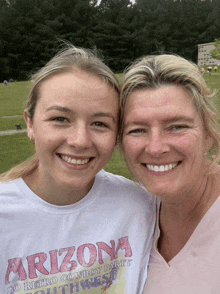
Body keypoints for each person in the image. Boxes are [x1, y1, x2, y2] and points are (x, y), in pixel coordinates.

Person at [0, 45, 156, 294]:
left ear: (116, 134)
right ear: (30, 123)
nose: (80, 141)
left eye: (99, 123)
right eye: (60, 119)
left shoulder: (138, 207)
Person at [120, 54, 220, 293]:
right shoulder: (130, 212)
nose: (155, 148)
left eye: (177, 127)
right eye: (138, 130)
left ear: (208, 133)